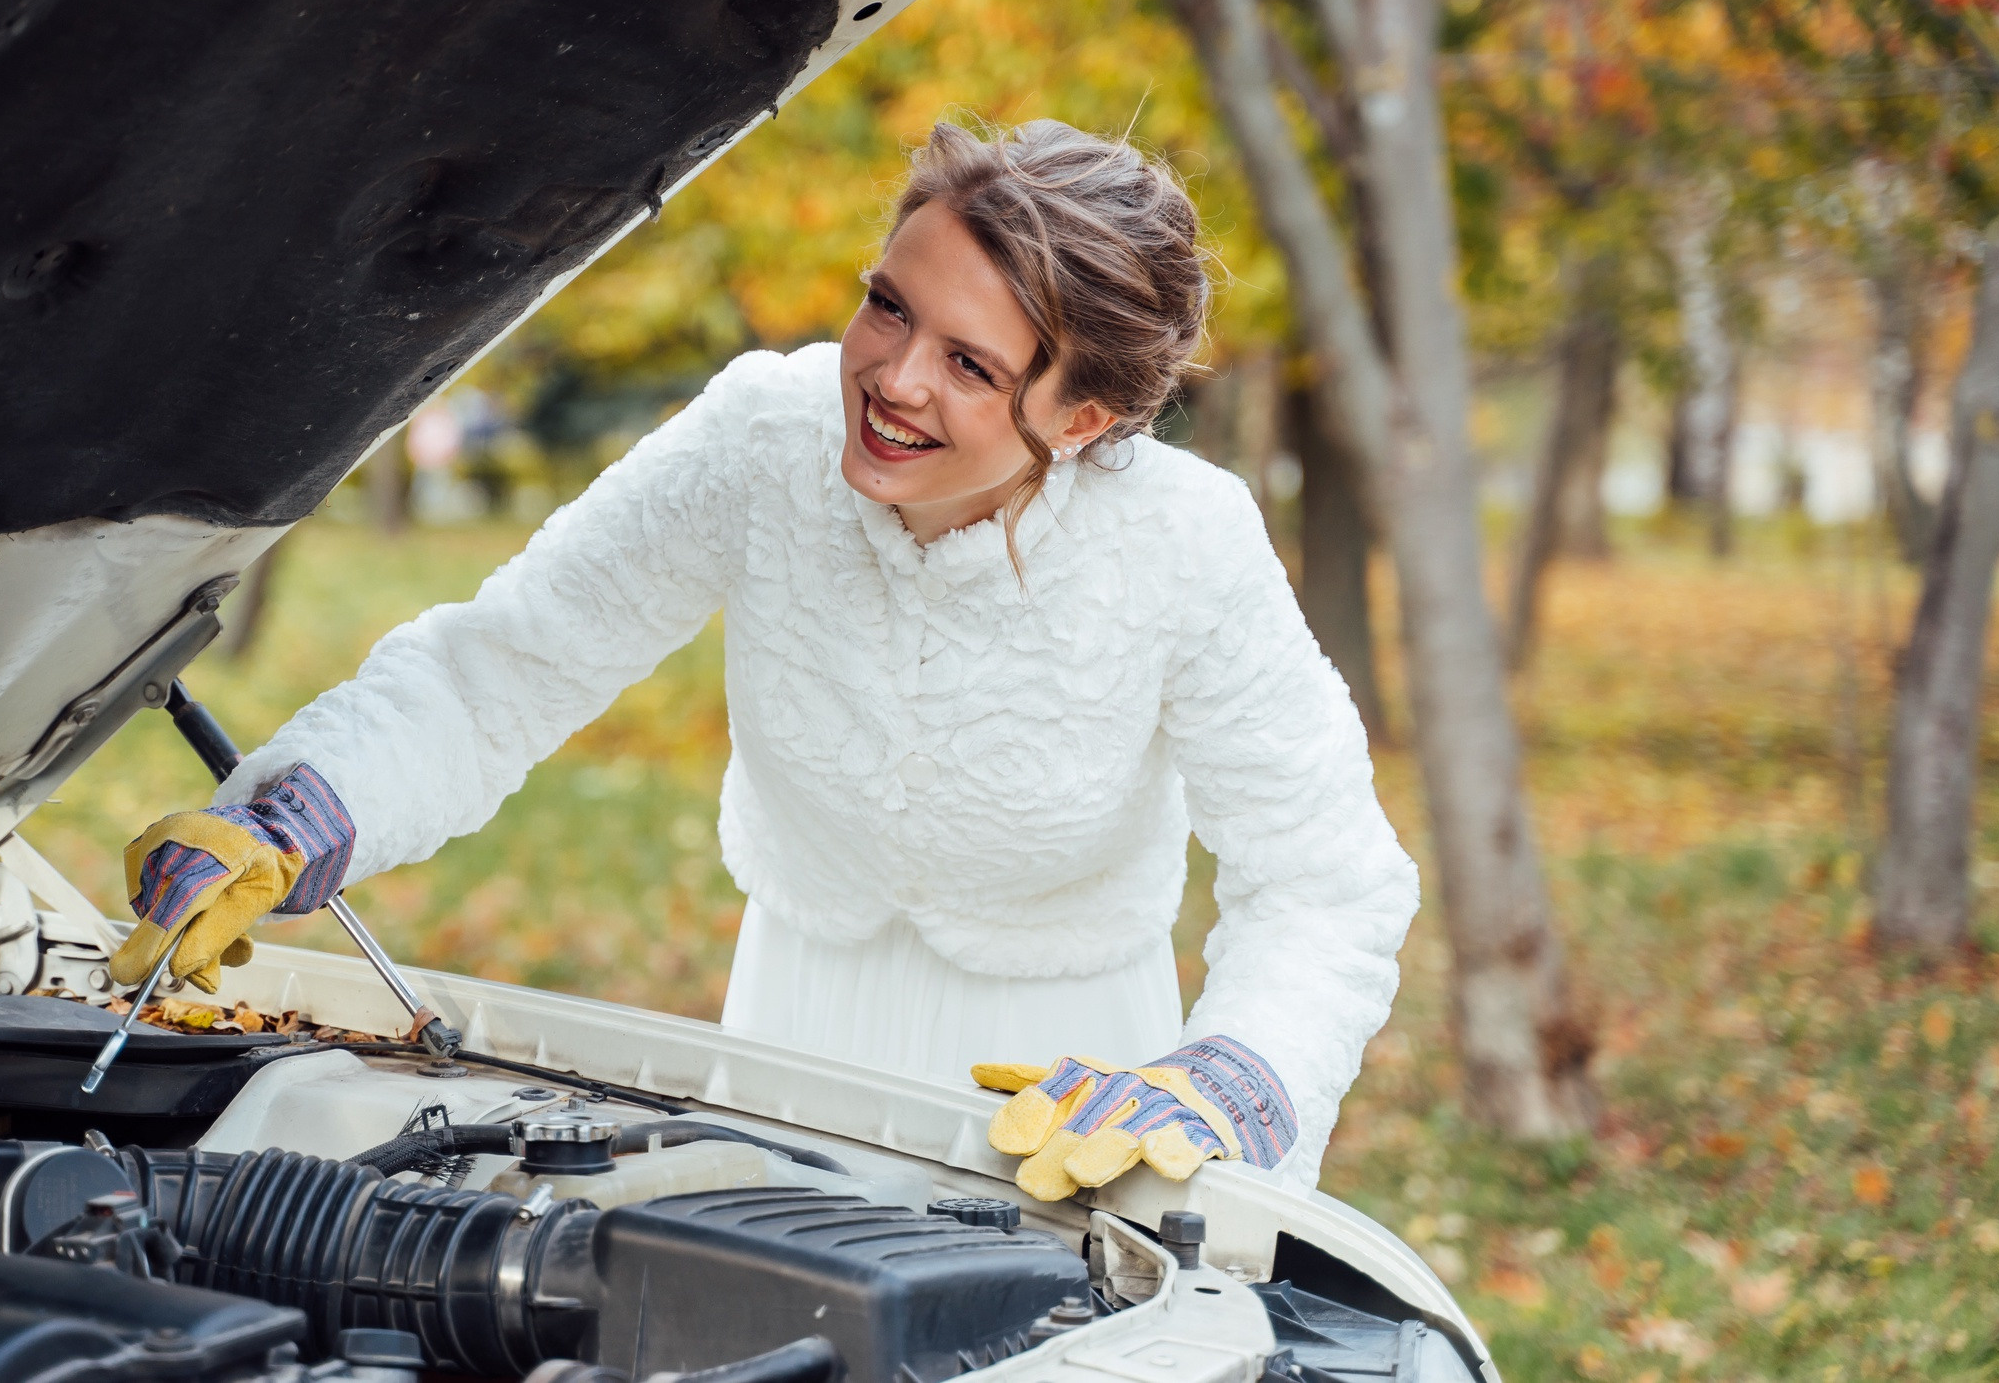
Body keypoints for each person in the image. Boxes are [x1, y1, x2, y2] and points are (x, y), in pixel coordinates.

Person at [112, 120, 1417, 1194]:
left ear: (1081, 417)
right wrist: (301, 808)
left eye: (969, 363)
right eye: (886, 307)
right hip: (797, 1031)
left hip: (1079, 1093)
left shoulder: (1187, 545)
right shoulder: (761, 439)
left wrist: (1228, 1076)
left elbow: (1328, 884)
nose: (893, 378)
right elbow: (508, 665)